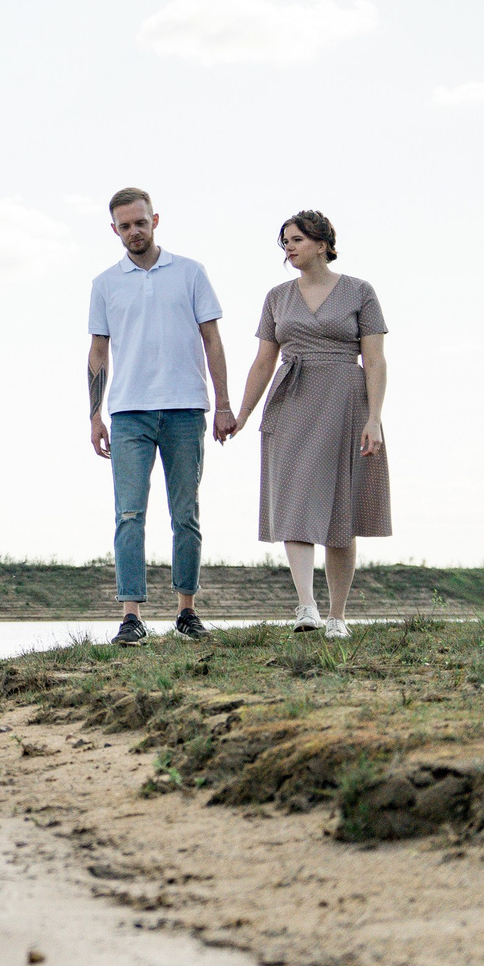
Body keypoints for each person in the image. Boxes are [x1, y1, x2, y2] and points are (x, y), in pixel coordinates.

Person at [230, 210, 391, 639]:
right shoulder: (277, 297)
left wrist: (375, 418)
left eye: (297, 239)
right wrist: (242, 414)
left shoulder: (360, 291)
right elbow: (264, 361)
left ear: (322, 243)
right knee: (295, 500)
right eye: (285, 241)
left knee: (341, 508)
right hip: (293, 399)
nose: (289, 247)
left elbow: (374, 359)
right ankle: (306, 606)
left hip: (345, 400)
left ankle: (338, 616)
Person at [86, 187, 236, 646]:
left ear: (155, 220)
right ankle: (131, 615)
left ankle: (186, 612)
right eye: (125, 226)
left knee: (185, 513)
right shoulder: (105, 283)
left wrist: (224, 404)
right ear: (115, 230)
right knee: (128, 514)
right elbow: (98, 352)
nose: (134, 231)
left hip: (186, 408)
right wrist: (94, 415)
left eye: (141, 222)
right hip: (128, 411)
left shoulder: (190, 273)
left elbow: (212, 340)